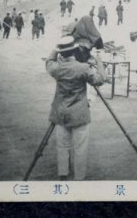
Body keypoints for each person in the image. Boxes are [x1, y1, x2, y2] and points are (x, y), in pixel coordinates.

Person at [45, 36, 108, 180]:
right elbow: (100, 80)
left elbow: (49, 61)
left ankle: (63, 174)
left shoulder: (57, 69)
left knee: (62, 145)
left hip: (60, 113)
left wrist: (56, 48)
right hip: (79, 113)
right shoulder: (83, 68)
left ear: (61, 53)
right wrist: (99, 61)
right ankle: (79, 178)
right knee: (80, 148)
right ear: (74, 50)